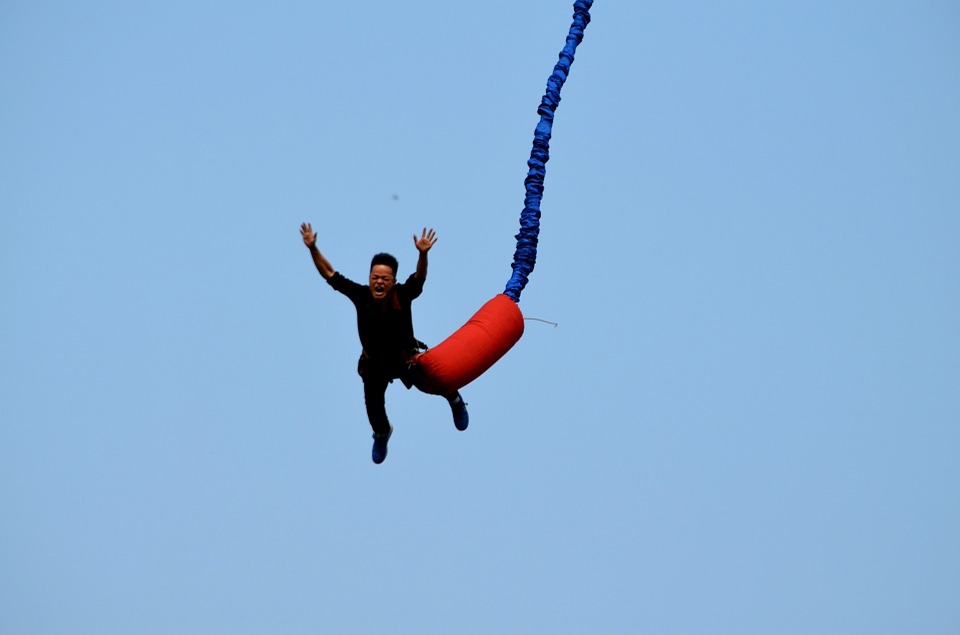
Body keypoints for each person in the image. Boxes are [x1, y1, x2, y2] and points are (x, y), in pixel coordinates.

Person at [300, 222, 469, 464]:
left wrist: (423, 254)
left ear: (393, 281)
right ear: (369, 279)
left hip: (405, 359)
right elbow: (330, 274)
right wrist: (313, 248)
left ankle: (455, 400)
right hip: (375, 365)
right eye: (375, 278)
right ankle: (382, 433)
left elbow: (419, 278)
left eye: (384, 278)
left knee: (436, 376)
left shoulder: (403, 294)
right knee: (373, 407)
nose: (379, 282)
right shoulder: (361, 295)